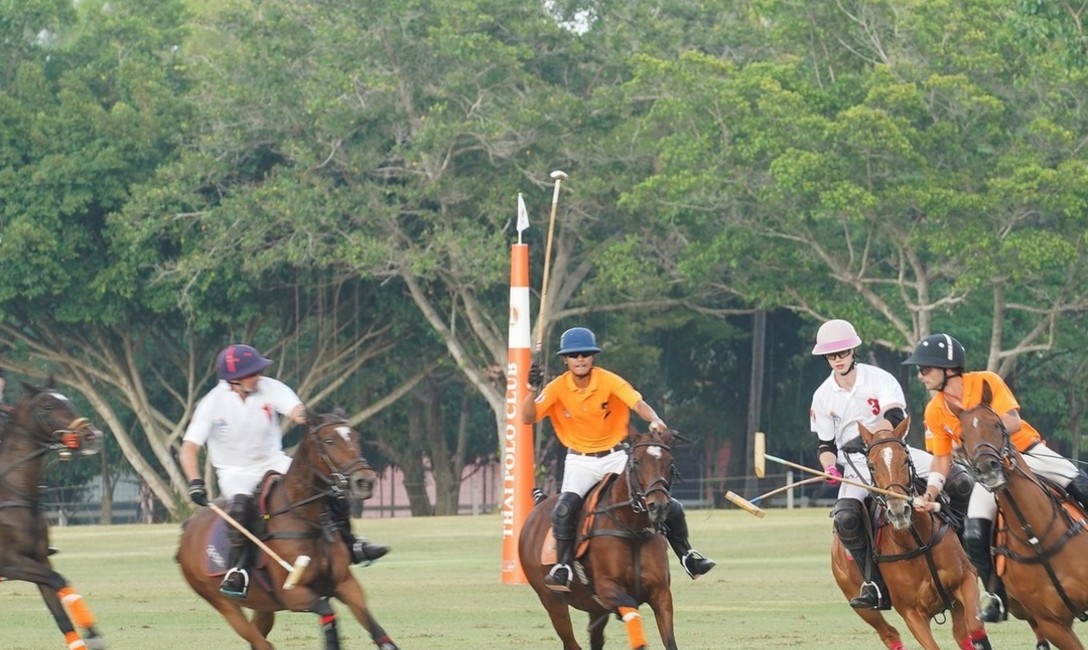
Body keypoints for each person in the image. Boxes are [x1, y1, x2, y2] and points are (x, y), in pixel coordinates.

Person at [904, 333, 1088, 622]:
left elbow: (1013, 421)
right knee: (974, 532)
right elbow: (941, 458)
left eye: (925, 369)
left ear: (948, 368)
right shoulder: (934, 410)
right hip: (987, 473)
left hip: (1026, 453)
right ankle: (997, 595)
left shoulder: (985, 381)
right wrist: (930, 493)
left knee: (1080, 484)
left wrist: (977, 428)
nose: (920, 375)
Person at [180, 343, 389, 598]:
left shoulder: (270, 387)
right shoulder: (211, 404)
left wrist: (318, 421)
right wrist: (195, 482)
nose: (258, 376)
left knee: (327, 488)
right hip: (236, 472)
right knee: (240, 510)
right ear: (234, 380)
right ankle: (238, 570)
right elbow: (189, 449)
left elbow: (298, 412)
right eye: (252, 373)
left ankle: (352, 543)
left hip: (274, 461)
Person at [520, 326, 715, 592]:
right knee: (564, 509)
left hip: (616, 456)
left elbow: (637, 403)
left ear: (593, 357)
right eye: (574, 355)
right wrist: (531, 389)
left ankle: (688, 556)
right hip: (580, 461)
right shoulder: (556, 388)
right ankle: (564, 567)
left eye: (585, 354)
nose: (580, 359)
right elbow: (528, 417)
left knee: (667, 503)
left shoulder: (609, 380)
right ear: (565, 359)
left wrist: (655, 419)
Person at [810, 320, 973, 611]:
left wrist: (868, 437)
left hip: (895, 452)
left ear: (853, 351)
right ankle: (874, 584)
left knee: (960, 480)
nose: (838, 359)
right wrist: (830, 468)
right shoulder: (822, 396)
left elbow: (896, 417)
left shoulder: (879, 379)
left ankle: (966, 546)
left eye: (843, 353)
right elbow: (825, 446)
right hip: (856, 464)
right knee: (845, 518)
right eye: (831, 355)